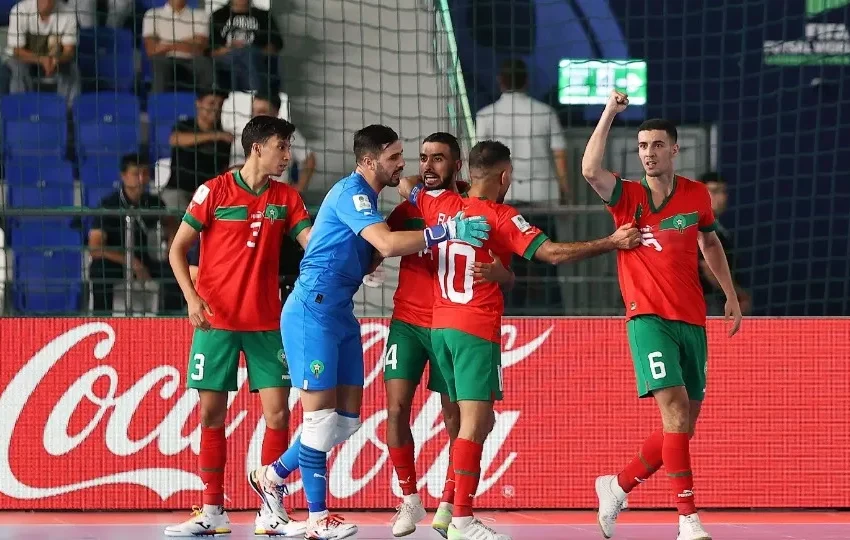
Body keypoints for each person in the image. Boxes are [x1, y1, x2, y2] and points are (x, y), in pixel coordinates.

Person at [245, 124, 491, 540]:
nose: (402, 164)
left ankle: (270, 477)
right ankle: (317, 518)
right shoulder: (353, 193)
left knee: (346, 423)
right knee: (320, 420)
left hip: (340, 314)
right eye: (394, 157)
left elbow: (371, 246)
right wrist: (446, 231)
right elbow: (389, 243)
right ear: (369, 161)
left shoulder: (371, 197)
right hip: (311, 313)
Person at [398, 140, 640, 540]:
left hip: (438, 329)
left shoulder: (436, 204)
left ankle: (446, 508)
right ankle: (462, 519)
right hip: (474, 328)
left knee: (476, 422)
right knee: (473, 425)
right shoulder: (502, 216)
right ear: (504, 176)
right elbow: (554, 254)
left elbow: (409, 184)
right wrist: (610, 242)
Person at [581, 91, 743, 540]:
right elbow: (590, 169)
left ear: (674, 149)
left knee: (683, 427)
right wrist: (610, 112)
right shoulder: (626, 196)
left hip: (692, 319)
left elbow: (708, 243)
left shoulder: (695, 195)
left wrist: (728, 293)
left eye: (656, 145)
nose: (648, 153)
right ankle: (687, 518)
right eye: (641, 147)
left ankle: (616, 485)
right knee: (672, 414)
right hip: (647, 317)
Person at [165, 115, 312, 537]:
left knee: (278, 414)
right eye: (281, 147)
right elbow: (177, 250)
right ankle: (213, 510)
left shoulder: (287, 198)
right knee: (211, 416)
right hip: (216, 324)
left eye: (288, 147)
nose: (287, 155)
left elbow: (312, 243)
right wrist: (192, 299)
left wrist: (357, 252)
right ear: (257, 149)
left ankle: (271, 510)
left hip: (268, 323)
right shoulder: (213, 191)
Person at [382, 132, 514, 537]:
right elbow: (379, 242)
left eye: (438, 159)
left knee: (458, 417)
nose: (427, 166)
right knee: (396, 408)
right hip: (407, 321)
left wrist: (498, 273)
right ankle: (409, 499)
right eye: (423, 158)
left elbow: (506, 270)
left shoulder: (475, 211)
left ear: (458, 166)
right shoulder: (412, 206)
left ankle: (450, 504)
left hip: (448, 323)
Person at [86, 153, 182, 314]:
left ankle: (168, 322)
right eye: (135, 174)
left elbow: (172, 225)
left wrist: (172, 247)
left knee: (176, 270)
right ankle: (101, 320)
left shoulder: (154, 202)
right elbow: (95, 247)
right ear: (123, 176)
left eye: (145, 173)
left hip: (145, 259)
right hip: (116, 261)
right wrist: (130, 261)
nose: (141, 178)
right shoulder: (108, 204)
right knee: (98, 269)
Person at [697, 172, 751, 316]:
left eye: (723, 192)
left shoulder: (718, 229)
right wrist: (736, 294)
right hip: (706, 303)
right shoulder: (700, 226)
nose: (720, 197)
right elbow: (709, 267)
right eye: (714, 191)